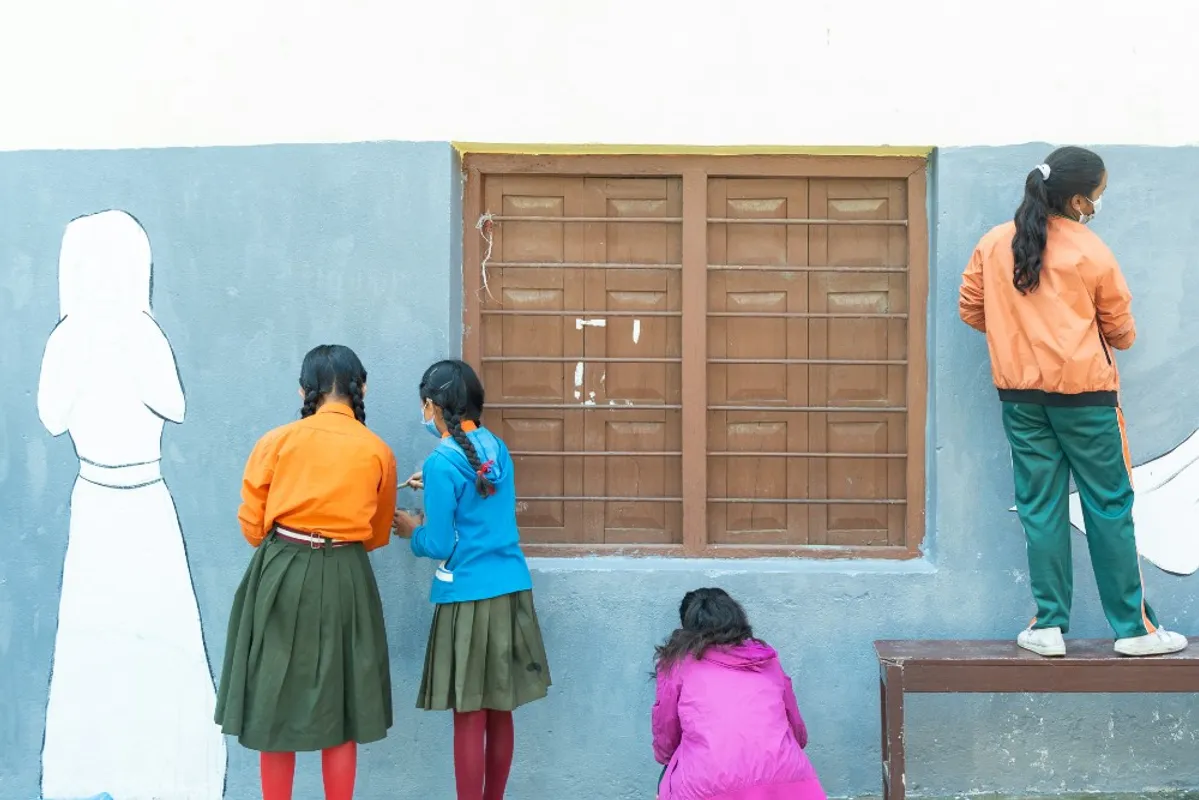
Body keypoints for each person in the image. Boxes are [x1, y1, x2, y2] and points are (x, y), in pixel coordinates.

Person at [959, 146, 1188, 658]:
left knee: (1040, 509)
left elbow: (971, 308)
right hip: (1087, 400)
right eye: (1099, 195)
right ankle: (1134, 630)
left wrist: (1017, 335)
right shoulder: (1090, 250)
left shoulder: (994, 243)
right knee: (1109, 507)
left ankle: (1047, 625)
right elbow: (1122, 332)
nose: (1099, 203)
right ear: (1080, 199)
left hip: (1021, 399)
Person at [37, 210, 225, 800]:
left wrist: (127, 348)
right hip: (96, 501)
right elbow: (50, 417)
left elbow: (174, 405)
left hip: (144, 501)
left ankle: (168, 776)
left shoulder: (144, 332)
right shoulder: (66, 337)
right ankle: (93, 772)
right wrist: (87, 353)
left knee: (160, 635)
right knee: (93, 641)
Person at [214, 344, 397, 800]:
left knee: (274, 698)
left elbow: (253, 526)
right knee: (344, 699)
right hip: (347, 575)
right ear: (362, 388)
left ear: (304, 389)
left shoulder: (277, 441)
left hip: (281, 570)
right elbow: (375, 534)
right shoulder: (378, 451)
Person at [393, 359, 551, 800]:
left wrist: (412, 530)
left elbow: (440, 543)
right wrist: (438, 490)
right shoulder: (496, 449)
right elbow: (479, 496)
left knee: (469, 713)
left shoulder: (443, 461)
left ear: (433, 405)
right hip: (511, 591)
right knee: (501, 709)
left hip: (467, 598)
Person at [652, 588, 824, 800]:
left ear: (687, 627)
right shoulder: (765, 658)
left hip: (706, 784)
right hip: (786, 778)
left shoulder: (677, 663)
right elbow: (796, 728)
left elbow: (667, 737)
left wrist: (671, 759)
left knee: (666, 777)